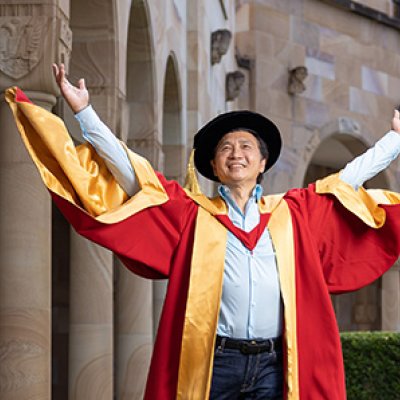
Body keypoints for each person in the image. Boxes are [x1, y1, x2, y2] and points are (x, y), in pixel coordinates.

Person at [5, 64, 400, 400]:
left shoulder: (291, 212)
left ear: (262, 162)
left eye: (246, 146)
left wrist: (395, 139)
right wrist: (85, 113)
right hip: (214, 360)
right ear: (215, 164)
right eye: (226, 148)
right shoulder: (193, 215)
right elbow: (134, 175)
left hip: (277, 362)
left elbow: (346, 181)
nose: (236, 153)